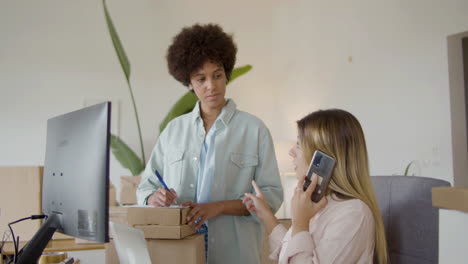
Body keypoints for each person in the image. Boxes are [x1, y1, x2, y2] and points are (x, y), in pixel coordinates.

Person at [136, 23, 283, 264]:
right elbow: (145, 187)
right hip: (179, 254)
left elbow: (272, 198)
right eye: (201, 78)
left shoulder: (254, 130)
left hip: (235, 256)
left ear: (227, 74)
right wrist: (154, 198)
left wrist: (219, 207)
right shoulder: (173, 131)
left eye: (217, 75)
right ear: (189, 83)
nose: (211, 86)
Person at [243, 109, 388, 264]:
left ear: (323, 156)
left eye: (299, 144)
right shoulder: (320, 202)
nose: (291, 152)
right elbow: (291, 254)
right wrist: (265, 213)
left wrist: (300, 224)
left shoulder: (354, 214)